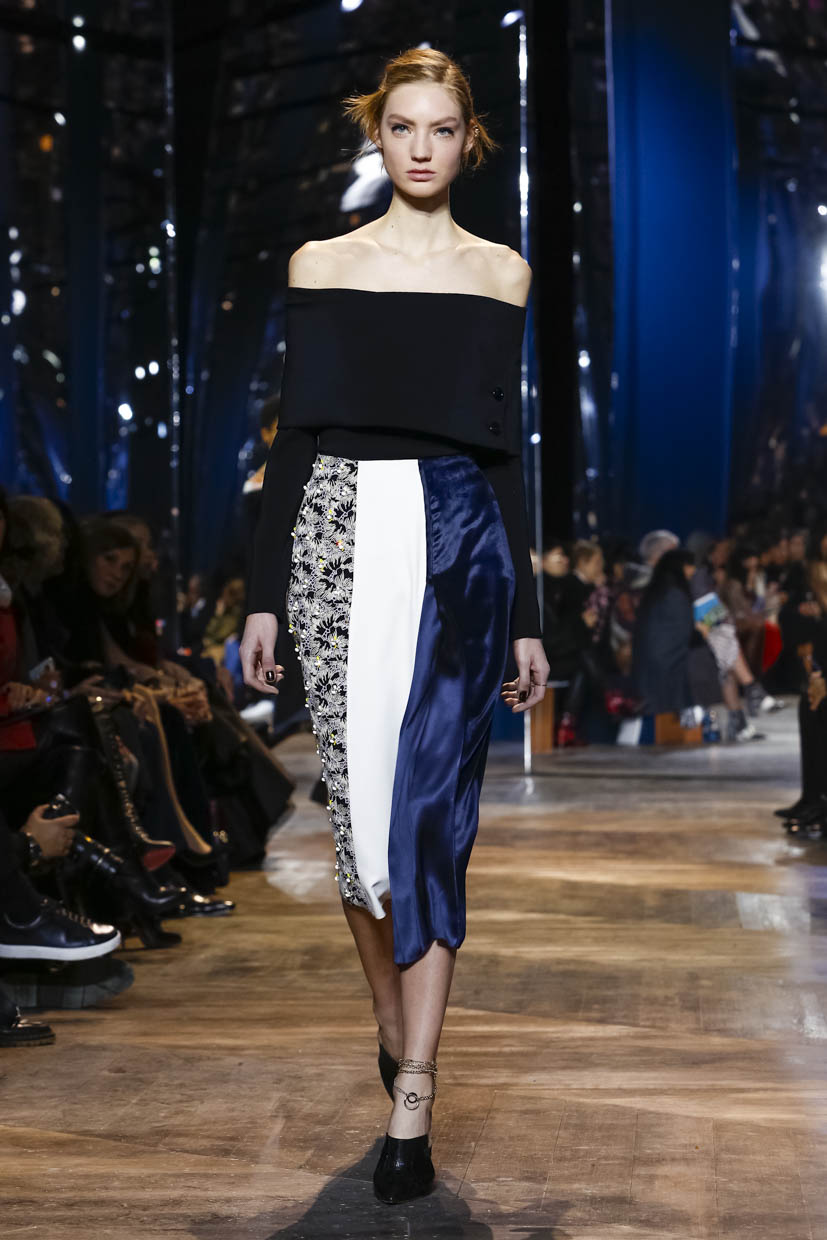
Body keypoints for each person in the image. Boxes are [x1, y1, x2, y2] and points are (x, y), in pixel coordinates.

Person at [239, 48, 548, 1206]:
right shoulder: (321, 264)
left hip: (456, 539)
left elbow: (501, 451)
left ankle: (413, 1082)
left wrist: (527, 613)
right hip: (334, 534)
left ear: (469, 142)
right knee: (360, 828)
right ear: (377, 134)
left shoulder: (499, 273)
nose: (421, 147)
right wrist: (262, 593)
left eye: (441, 129)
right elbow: (296, 435)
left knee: (428, 819)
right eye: (402, 127)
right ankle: (387, 1009)